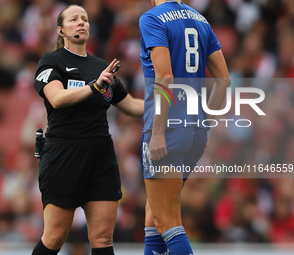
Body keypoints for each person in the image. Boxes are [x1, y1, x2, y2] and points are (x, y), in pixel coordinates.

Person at [32, 4, 144, 255]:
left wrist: (169, 106)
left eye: (84, 18)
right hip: (65, 152)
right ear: (61, 30)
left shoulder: (100, 65)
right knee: (54, 237)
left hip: (100, 154)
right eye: (74, 19)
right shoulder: (51, 61)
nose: (81, 22)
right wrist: (94, 86)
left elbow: (132, 106)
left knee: (103, 238)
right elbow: (57, 99)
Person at [139, 1, 230, 255]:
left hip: (167, 130)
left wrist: (157, 132)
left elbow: (165, 77)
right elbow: (223, 81)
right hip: (194, 131)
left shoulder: (152, 18)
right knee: (154, 218)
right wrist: (205, 121)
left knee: (167, 222)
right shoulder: (200, 20)